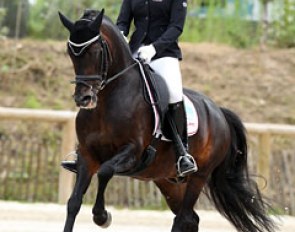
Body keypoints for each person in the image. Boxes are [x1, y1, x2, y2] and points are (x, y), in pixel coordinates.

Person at [62, 0, 197, 177]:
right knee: (103, 85)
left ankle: (182, 153)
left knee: (173, 93)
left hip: (164, 54)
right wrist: (122, 35)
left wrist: (154, 48)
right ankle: (85, 152)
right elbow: (123, 22)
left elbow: (176, 27)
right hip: (133, 52)